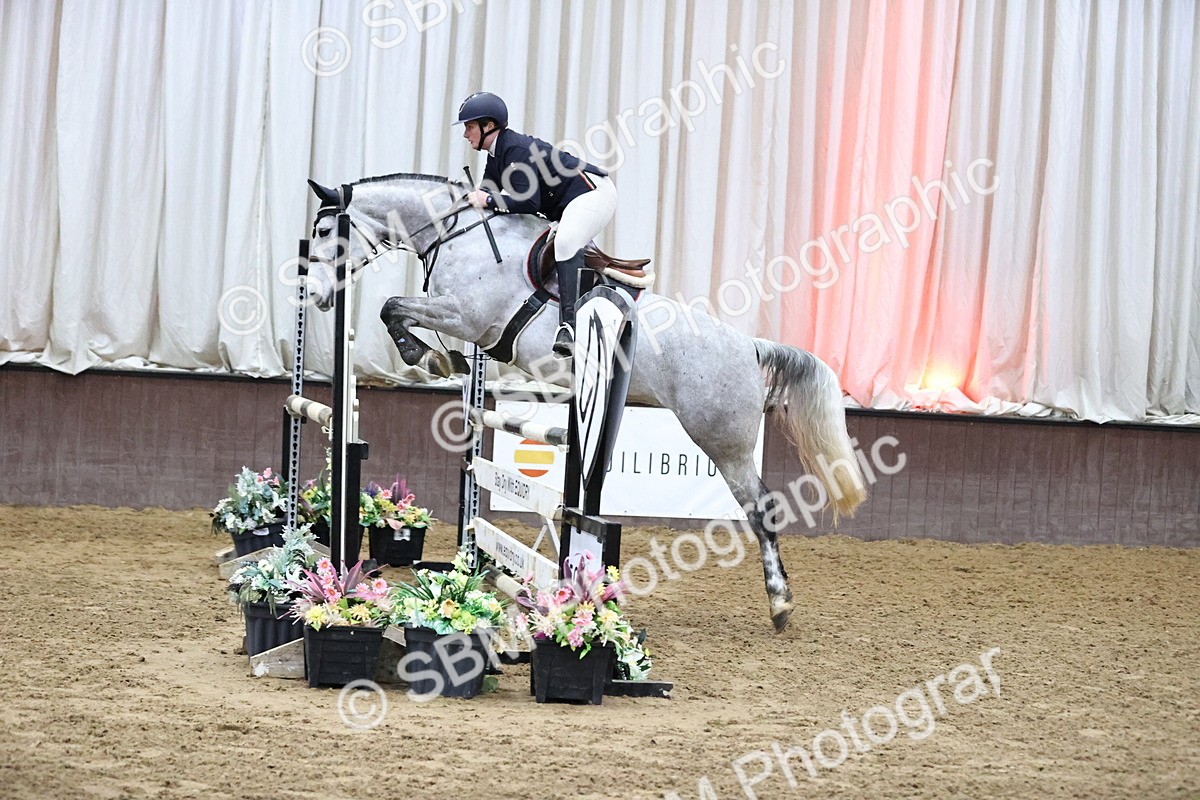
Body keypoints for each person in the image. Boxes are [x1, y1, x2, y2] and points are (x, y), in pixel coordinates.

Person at [453, 91, 616, 358]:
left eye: (469, 127)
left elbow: (526, 202)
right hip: (570, 203)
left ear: (488, 126)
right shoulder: (496, 155)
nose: (465, 134)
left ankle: (570, 328)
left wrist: (488, 198)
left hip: (593, 193)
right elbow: (486, 197)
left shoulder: (515, 150)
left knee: (564, 242)